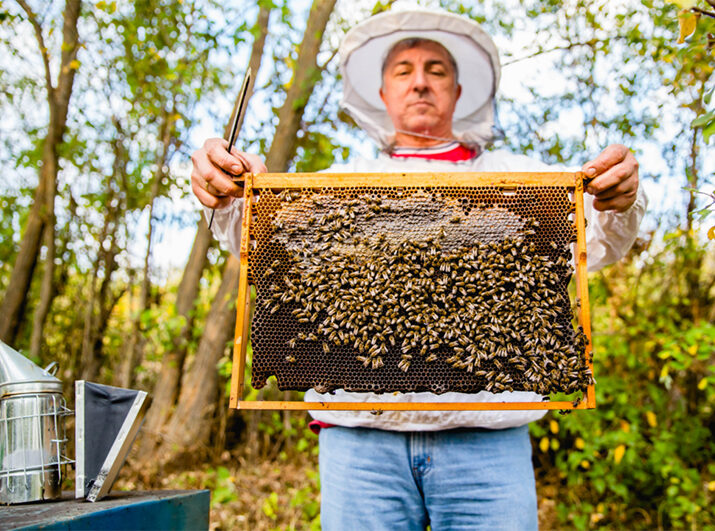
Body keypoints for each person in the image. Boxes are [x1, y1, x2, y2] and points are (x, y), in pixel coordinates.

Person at [190, 8, 646, 530]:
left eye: (436, 69)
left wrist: (618, 198)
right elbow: (259, 240)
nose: (420, 82)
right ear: (383, 94)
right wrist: (226, 193)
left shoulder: (523, 183)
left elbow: (603, 240)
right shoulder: (337, 183)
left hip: (487, 449)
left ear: (458, 90)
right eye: (403, 71)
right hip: (360, 449)